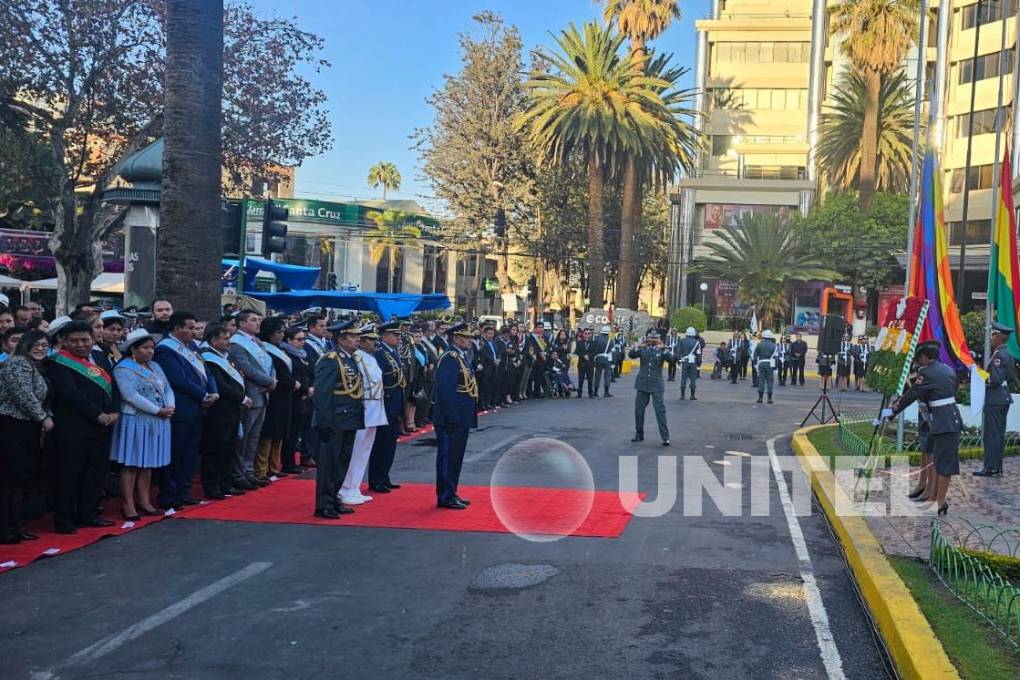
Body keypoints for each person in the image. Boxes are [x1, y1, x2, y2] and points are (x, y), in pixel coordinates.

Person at [48, 321, 120, 533]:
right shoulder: (58, 362)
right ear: (65, 342)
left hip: (103, 426)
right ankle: (64, 519)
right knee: (70, 474)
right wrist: (98, 415)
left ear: (93, 339)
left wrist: (115, 411)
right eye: (74, 341)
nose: (80, 345)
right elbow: (70, 395)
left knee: (95, 473)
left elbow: (113, 386)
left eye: (85, 340)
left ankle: (88, 514)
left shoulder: (99, 357)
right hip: (74, 429)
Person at [885, 340, 961, 515]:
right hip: (947, 418)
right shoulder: (948, 370)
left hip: (943, 421)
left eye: (919, 358)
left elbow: (911, 395)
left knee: (944, 463)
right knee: (941, 460)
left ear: (925, 357)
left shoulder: (926, 373)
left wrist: (892, 411)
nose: (918, 362)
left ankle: (940, 502)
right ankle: (936, 499)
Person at [155, 311, 218, 509]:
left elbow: (206, 371)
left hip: (198, 408)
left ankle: (184, 490)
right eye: (189, 328)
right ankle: (169, 495)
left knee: (190, 453)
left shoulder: (191, 347)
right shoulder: (165, 349)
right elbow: (178, 378)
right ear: (176, 328)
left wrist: (213, 391)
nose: (193, 332)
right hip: (181, 408)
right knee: (176, 453)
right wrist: (202, 394)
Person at [110, 330, 174, 520]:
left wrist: (170, 406)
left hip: (158, 419)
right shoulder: (123, 369)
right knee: (132, 463)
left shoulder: (155, 366)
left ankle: (144, 500)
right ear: (133, 349)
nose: (150, 352)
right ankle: (128, 503)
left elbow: (167, 388)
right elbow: (130, 395)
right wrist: (156, 410)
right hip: (136, 419)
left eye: (151, 348)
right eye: (145, 348)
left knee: (148, 463)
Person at [0, 330, 53, 543]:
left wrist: (45, 415)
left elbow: (41, 397)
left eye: (44, 344)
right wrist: (43, 418)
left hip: (27, 427)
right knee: (9, 481)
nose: (40, 348)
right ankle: (6, 529)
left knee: (20, 481)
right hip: (12, 426)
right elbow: (23, 395)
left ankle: (16, 526)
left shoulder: (35, 366)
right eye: (36, 344)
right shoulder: (17, 363)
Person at [312, 320, 364, 519]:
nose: (357, 339)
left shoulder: (349, 358)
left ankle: (333, 499)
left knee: (342, 463)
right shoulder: (330, 359)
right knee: (329, 464)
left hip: (349, 418)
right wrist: (323, 421)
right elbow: (323, 393)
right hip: (334, 419)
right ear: (341, 339)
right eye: (353, 336)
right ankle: (324, 505)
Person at [198, 324, 249, 499]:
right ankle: (212, 487)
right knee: (215, 450)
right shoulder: (209, 359)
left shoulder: (225, 357)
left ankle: (225, 484)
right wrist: (241, 398)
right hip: (219, 412)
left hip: (232, 411)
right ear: (213, 340)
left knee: (228, 449)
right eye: (225, 338)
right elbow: (222, 385)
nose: (229, 342)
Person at [229, 310, 277, 490]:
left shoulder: (256, 342)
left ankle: (249, 471)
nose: (258, 323)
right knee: (244, 437)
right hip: (251, 394)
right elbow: (247, 368)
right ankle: (239, 473)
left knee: (254, 437)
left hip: (263, 394)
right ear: (242, 324)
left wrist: (272, 379)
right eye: (254, 320)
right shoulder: (236, 344)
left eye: (259, 320)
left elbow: (269, 364)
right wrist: (270, 381)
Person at [433, 323, 477, 509]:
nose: (469, 341)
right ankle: (445, 496)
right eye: (466, 338)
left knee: (456, 456)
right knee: (448, 457)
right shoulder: (450, 357)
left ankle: (451, 491)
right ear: (457, 339)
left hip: (462, 414)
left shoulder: (460, 356)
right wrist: (451, 416)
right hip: (452, 417)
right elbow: (446, 390)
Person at [340, 324, 385, 505]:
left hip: (374, 409)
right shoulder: (355, 358)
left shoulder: (371, 358)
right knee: (354, 450)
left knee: (364, 450)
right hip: (362, 408)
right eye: (370, 339)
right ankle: (345, 487)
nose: (374, 342)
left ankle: (355, 486)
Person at [254, 316, 296, 482]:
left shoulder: (280, 349)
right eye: (278, 332)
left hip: (285, 394)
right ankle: (261, 469)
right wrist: (293, 383)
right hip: (274, 393)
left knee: (280, 431)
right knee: (269, 431)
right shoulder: (264, 349)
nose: (281, 335)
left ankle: (273, 466)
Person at [975, 322, 1017, 477]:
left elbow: (995, 380)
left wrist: (978, 375)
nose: (991, 339)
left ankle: (991, 468)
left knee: (991, 434)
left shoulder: (999, 355)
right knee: (998, 435)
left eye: (993, 335)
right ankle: (996, 467)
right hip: (1003, 397)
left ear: (998, 337)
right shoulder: (1007, 354)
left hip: (995, 398)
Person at [369, 321, 406, 493]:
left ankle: (384, 476)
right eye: (394, 335)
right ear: (384, 336)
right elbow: (379, 380)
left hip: (396, 402)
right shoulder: (380, 354)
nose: (398, 338)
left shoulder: (393, 352)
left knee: (390, 443)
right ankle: (376, 479)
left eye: (398, 335)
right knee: (381, 444)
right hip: (386, 403)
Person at [629, 330, 671, 445]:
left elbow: (672, 359)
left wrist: (664, 348)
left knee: (660, 411)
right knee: (639, 410)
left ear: (658, 339)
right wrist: (639, 345)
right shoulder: (642, 348)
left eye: (654, 339)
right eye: (650, 339)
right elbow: (631, 355)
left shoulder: (662, 350)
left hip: (656, 384)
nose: (652, 341)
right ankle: (639, 434)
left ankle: (665, 437)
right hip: (642, 384)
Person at [282, 325, 314, 475]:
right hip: (294, 397)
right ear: (289, 340)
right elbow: (292, 377)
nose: (302, 342)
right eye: (299, 339)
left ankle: (296, 461)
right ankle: (288, 463)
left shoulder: (303, 354)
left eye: (304, 339)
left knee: (299, 430)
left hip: (306, 397)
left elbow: (310, 372)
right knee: (291, 432)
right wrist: (305, 389)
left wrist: (312, 388)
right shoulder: (287, 355)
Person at [477, 324, 501, 411]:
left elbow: (498, 352)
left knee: (491, 386)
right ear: (485, 333)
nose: (491, 335)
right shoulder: (482, 342)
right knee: (484, 386)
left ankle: (489, 402)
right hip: (487, 367)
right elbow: (484, 355)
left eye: (492, 333)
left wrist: (498, 359)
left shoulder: (494, 342)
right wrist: (493, 361)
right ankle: (482, 404)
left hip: (495, 367)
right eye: (489, 333)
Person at [677, 326, 702, 400]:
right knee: (693, 379)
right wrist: (699, 363)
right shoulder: (697, 343)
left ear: (686, 334)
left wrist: (678, 361)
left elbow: (679, 352)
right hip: (693, 362)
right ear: (694, 334)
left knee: (683, 378)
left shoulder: (682, 341)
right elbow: (698, 355)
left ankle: (682, 395)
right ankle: (692, 395)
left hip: (685, 361)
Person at [753, 330, 779, 404]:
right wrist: (776, 368)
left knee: (761, 380)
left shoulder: (760, 344)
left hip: (761, 363)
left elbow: (755, 355)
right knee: (770, 381)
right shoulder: (774, 346)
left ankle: (760, 398)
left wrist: (755, 364)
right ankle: (769, 398)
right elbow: (776, 358)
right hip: (770, 364)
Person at [592, 325, 615, 397]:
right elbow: (612, 352)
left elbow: (594, 350)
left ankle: (595, 392)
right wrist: (613, 362)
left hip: (598, 358)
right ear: (608, 333)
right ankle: (606, 392)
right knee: (607, 376)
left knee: (597, 375)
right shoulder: (610, 340)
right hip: (607, 359)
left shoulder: (596, 339)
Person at [574, 327, 595, 398]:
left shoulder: (593, 343)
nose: (587, 335)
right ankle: (579, 393)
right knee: (580, 379)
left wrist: (589, 356)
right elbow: (577, 351)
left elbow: (595, 352)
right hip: (581, 363)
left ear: (591, 334)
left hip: (590, 363)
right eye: (586, 333)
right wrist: (583, 356)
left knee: (590, 379)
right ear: (583, 334)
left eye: (589, 333)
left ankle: (590, 393)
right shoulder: (579, 342)